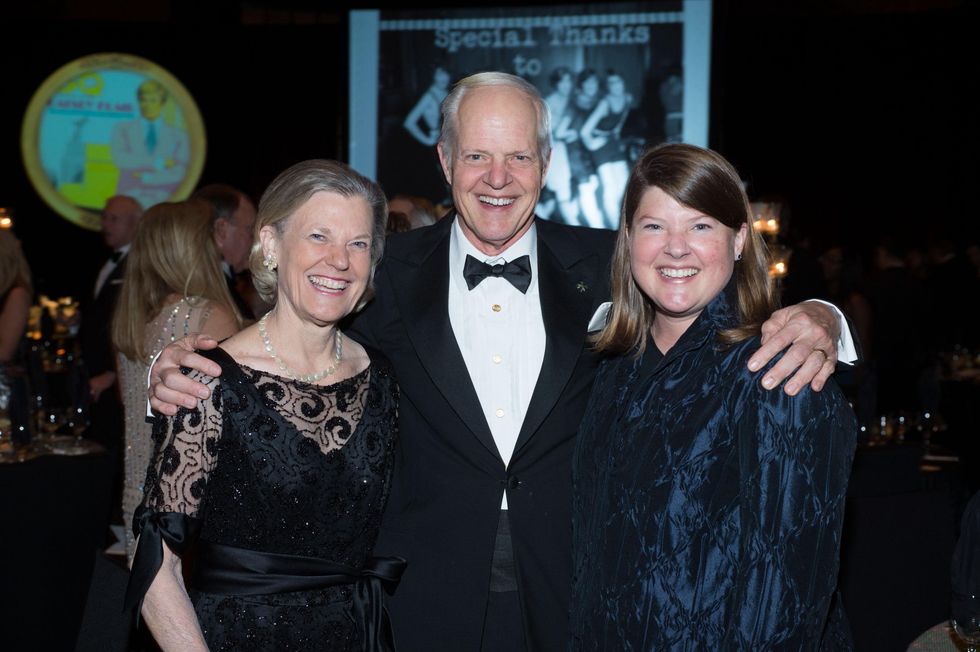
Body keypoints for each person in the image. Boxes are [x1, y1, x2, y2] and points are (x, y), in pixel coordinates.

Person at [149, 73, 850, 652]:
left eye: (519, 157)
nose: (497, 178)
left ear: (546, 165)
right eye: (476, 156)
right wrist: (193, 364)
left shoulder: (614, 264)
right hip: (421, 597)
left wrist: (823, 317)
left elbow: (698, 273)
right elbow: (298, 329)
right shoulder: (383, 278)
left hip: (577, 594)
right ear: (445, 162)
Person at [571, 144, 856, 649]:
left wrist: (824, 313)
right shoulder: (612, 370)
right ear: (628, 239)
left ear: (740, 239)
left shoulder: (779, 373)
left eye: (700, 226)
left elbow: (783, 603)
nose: (675, 248)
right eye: (654, 226)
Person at [124, 160, 403, 651]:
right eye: (319, 236)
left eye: (358, 244)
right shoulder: (208, 380)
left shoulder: (381, 378)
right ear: (272, 245)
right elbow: (154, 562)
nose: (340, 260)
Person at [111, 199, 242, 560]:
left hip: (137, 494)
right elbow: (231, 421)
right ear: (195, 246)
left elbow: (129, 402)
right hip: (186, 501)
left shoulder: (134, 320)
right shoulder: (208, 315)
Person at [80, 195, 142, 452]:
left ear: (135, 224)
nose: (105, 223)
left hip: (115, 380)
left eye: (113, 218)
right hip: (93, 376)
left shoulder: (140, 265)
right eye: (104, 217)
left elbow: (136, 323)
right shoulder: (102, 260)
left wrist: (113, 372)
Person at [111, 79, 191, 209]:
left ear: (162, 103)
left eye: (153, 100)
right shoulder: (122, 129)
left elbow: (180, 170)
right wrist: (158, 162)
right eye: (143, 100)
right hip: (127, 197)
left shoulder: (179, 135)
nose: (147, 105)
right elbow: (120, 159)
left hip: (165, 198)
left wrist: (148, 178)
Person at [192, 183, 260, 319]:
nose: (257, 242)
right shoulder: (208, 292)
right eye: (250, 230)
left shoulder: (199, 283)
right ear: (221, 230)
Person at [581, 70, 634, 228]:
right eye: (611, 83)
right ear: (608, 87)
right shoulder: (605, 103)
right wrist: (593, 144)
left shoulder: (628, 98)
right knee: (610, 187)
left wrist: (614, 135)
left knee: (625, 187)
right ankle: (614, 230)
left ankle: (623, 226)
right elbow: (584, 131)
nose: (615, 86)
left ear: (623, 83)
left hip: (613, 142)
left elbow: (620, 121)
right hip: (601, 146)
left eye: (617, 82)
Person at [556, 69, 605, 229]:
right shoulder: (575, 103)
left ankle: (578, 228)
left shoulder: (596, 102)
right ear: (582, 85)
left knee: (587, 190)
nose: (592, 85)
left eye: (594, 82)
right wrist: (575, 133)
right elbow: (560, 132)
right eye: (588, 82)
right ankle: (599, 230)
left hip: (590, 152)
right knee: (586, 190)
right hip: (577, 153)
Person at [543, 67, 578, 224]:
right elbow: (552, 132)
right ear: (556, 84)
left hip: (565, 151)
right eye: (563, 81)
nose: (567, 85)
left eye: (569, 81)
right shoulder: (551, 101)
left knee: (557, 196)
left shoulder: (569, 100)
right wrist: (570, 134)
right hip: (554, 152)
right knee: (561, 194)